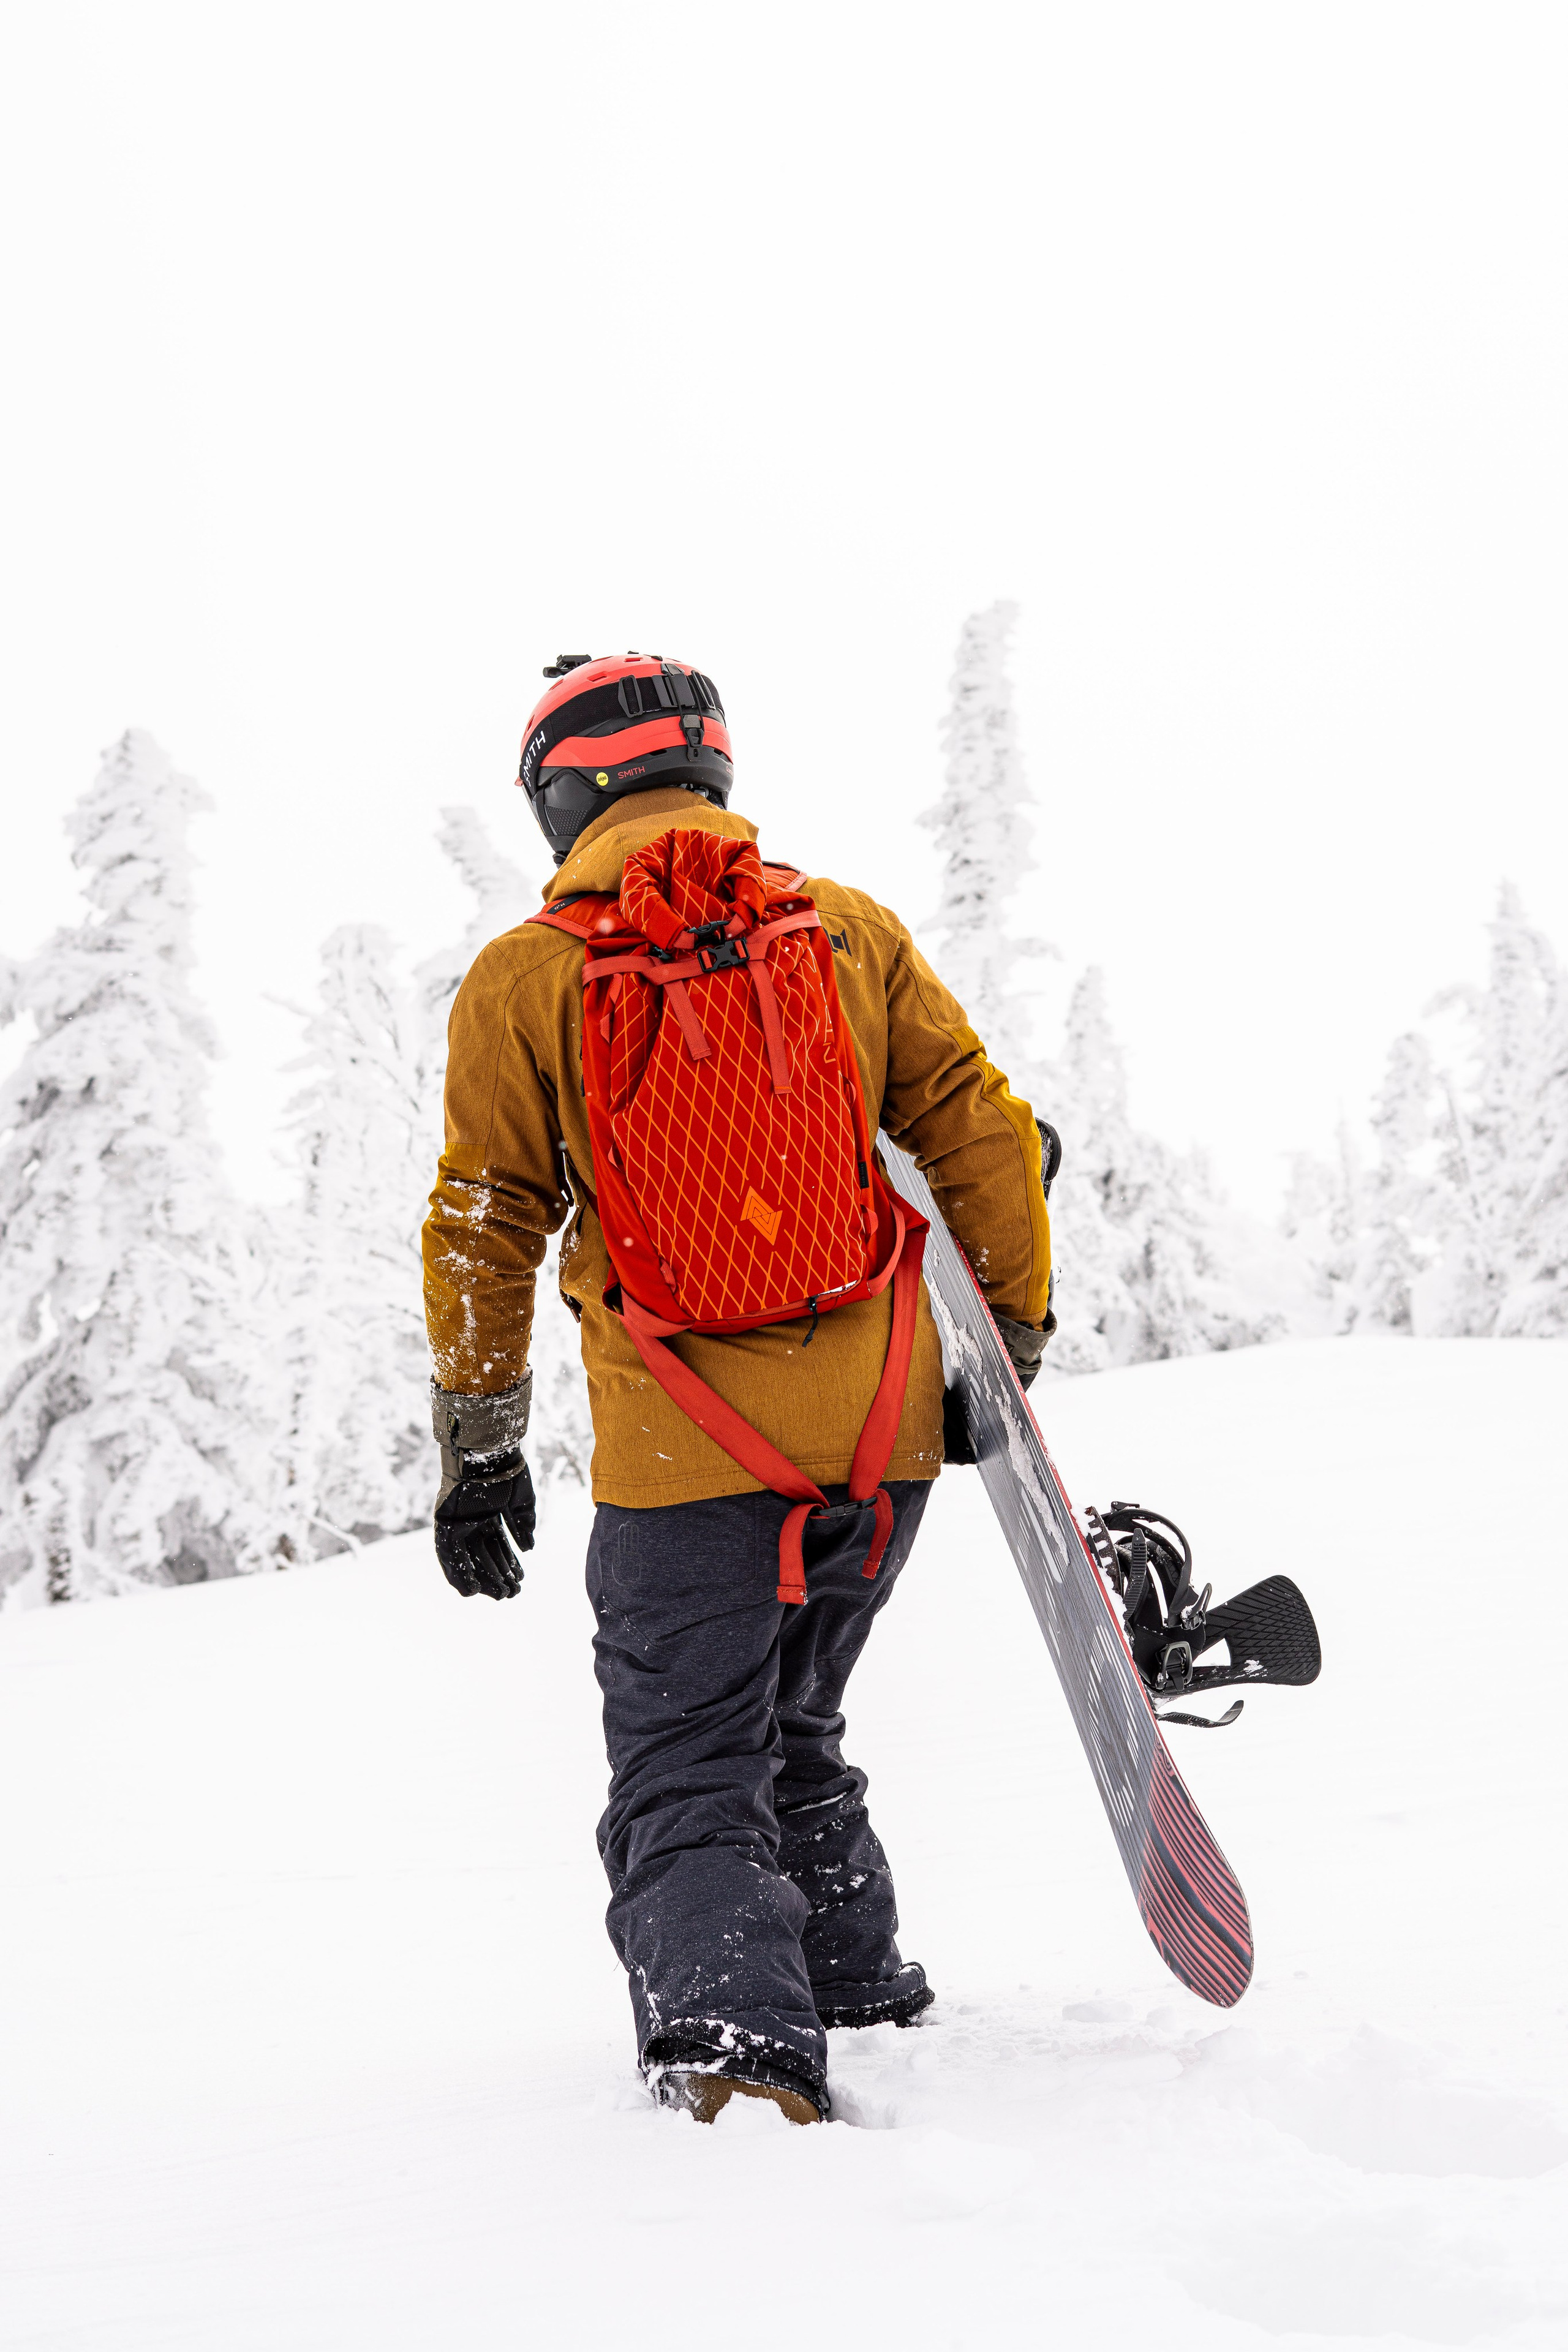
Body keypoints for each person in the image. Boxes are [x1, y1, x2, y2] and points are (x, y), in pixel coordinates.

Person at [421, 652, 1052, 2127]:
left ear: (558, 794)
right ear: (707, 770)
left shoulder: (530, 974)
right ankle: (854, 1994)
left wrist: (480, 1447)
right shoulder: (844, 932)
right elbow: (983, 1132)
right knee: (796, 1724)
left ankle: (734, 2059)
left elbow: (481, 1217)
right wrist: (1001, 1360)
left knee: (688, 1758)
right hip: (881, 1433)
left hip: (680, 1451)